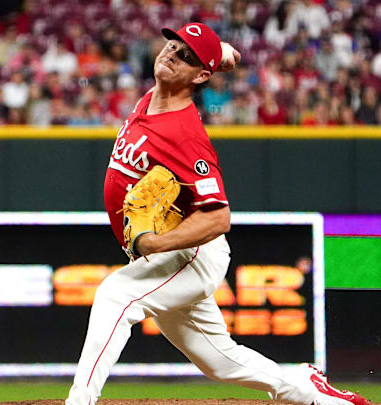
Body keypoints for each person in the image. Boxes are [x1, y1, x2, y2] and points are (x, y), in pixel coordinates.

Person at [65, 22, 369, 405]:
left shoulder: (185, 133)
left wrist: (156, 243)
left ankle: (80, 401)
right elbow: (213, 57)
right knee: (219, 361)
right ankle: (309, 390)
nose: (171, 55)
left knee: (116, 295)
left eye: (185, 56)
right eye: (172, 46)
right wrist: (220, 54)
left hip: (189, 254)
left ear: (200, 75)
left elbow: (218, 217)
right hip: (172, 255)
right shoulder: (153, 97)